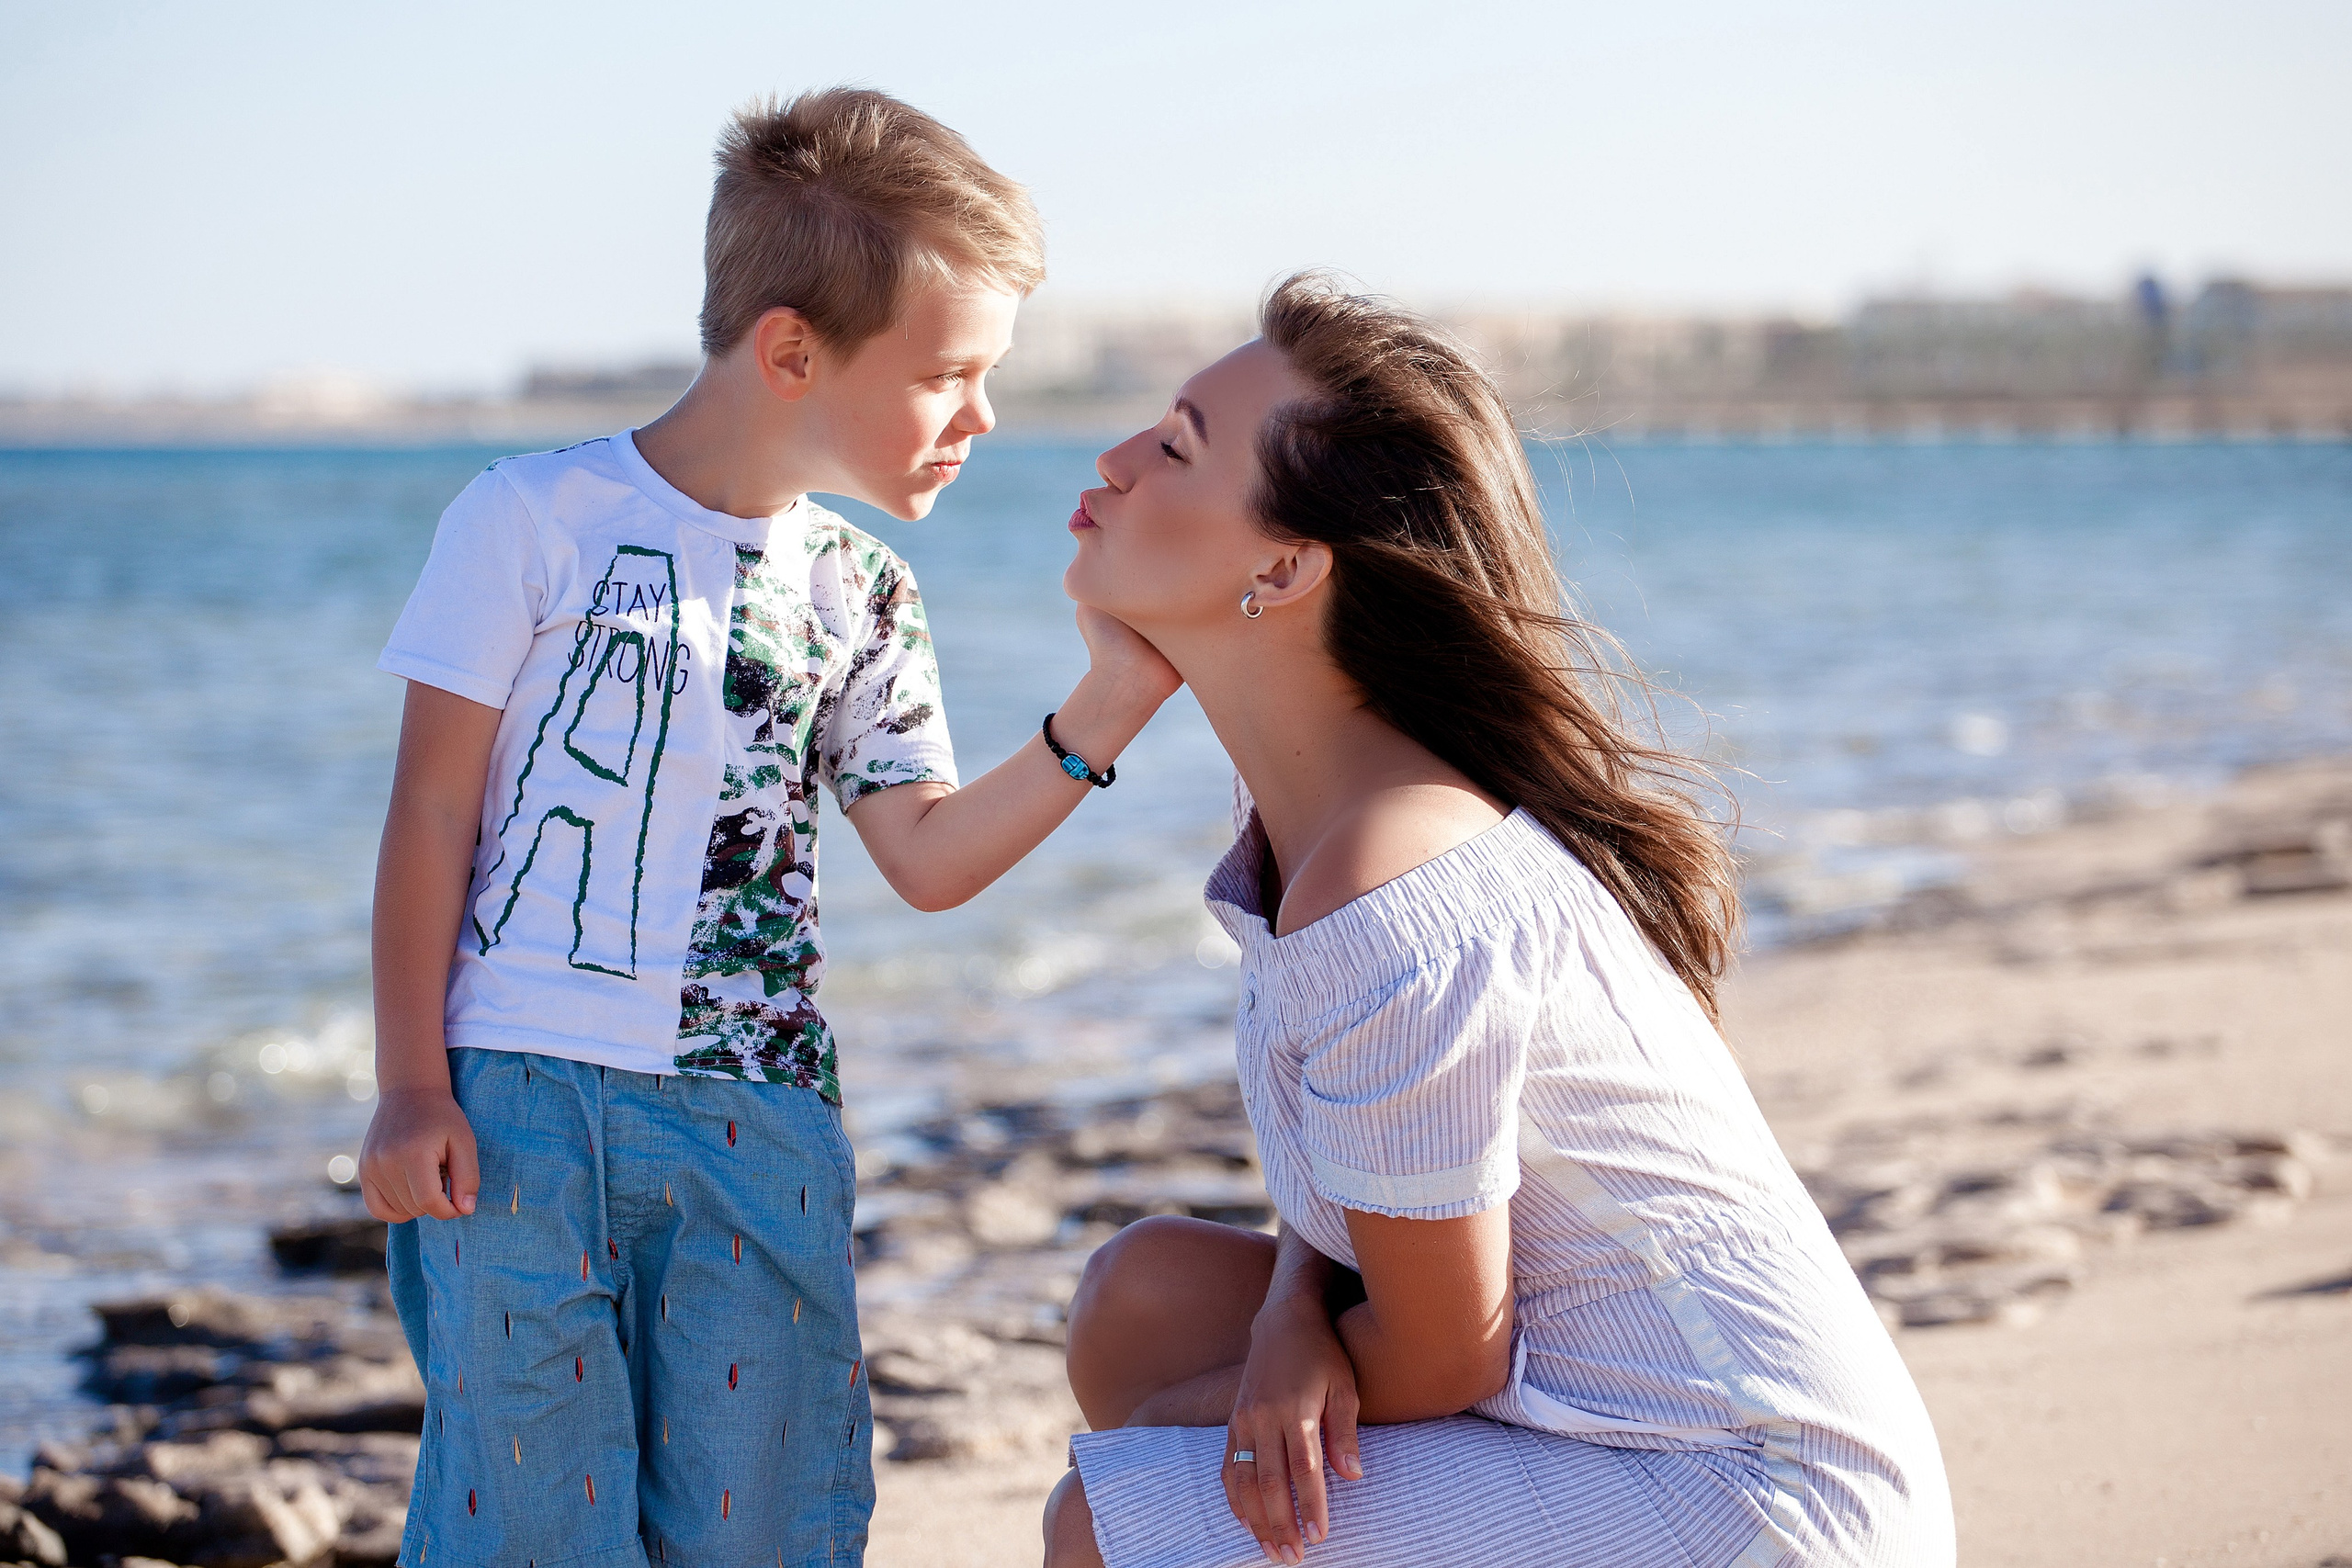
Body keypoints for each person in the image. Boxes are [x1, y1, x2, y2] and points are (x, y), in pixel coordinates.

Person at [359, 88, 1177, 1568]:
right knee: (526, 1521)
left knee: (763, 1519)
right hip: (511, 1115)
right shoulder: (527, 520)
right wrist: (411, 1085)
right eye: (950, 376)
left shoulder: (860, 593)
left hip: (758, 1117)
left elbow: (923, 855)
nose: (982, 417)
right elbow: (429, 815)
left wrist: (1105, 713)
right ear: (792, 351)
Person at [1044, 275, 1954, 1568]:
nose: (1117, 457)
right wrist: (1291, 1308)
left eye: (1178, 444)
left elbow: (1440, 1348)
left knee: (1102, 1518)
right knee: (1138, 1308)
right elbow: (1372, 1179)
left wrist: (1188, 1430)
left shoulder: (1391, 871)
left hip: (1754, 1495)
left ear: (1287, 566)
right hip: (1577, 1404)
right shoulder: (1334, 822)